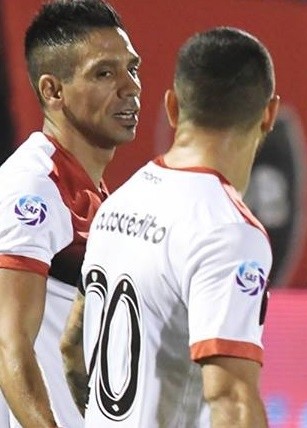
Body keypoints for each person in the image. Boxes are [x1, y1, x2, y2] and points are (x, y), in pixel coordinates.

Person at [60, 27, 278, 427]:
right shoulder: (227, 231)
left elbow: (72, 348)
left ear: (173, 107)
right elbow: (231, 398)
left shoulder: (118, 203)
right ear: (269, 114)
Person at [0, 1, 140, 426]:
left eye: (132, 68)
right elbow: (8, 343)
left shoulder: (97, 198)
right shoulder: (32, 190)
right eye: (104, 73)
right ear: (53, 91)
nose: (130, 87)